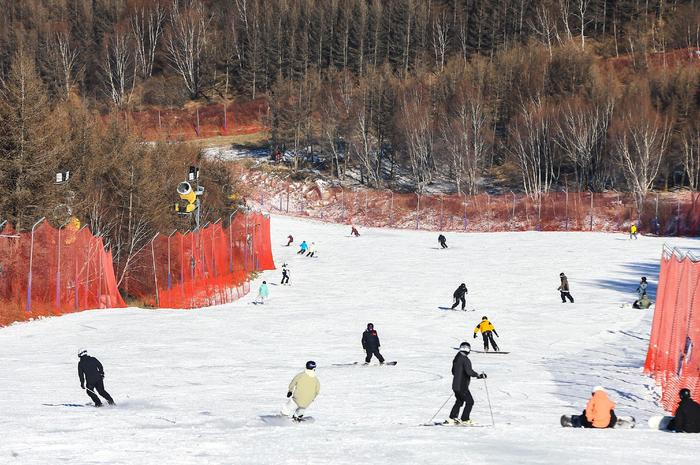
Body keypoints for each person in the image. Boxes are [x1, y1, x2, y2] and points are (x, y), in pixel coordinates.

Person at [446, 342, 486, 425]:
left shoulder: (456, 358)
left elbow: (453, 371)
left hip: (456, 385)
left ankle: (452, 418)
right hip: (462, 385)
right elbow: (469, 372)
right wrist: (478, 375)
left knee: (459, 401)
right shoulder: (465, 359)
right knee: (470, 401)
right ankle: (465, 419)